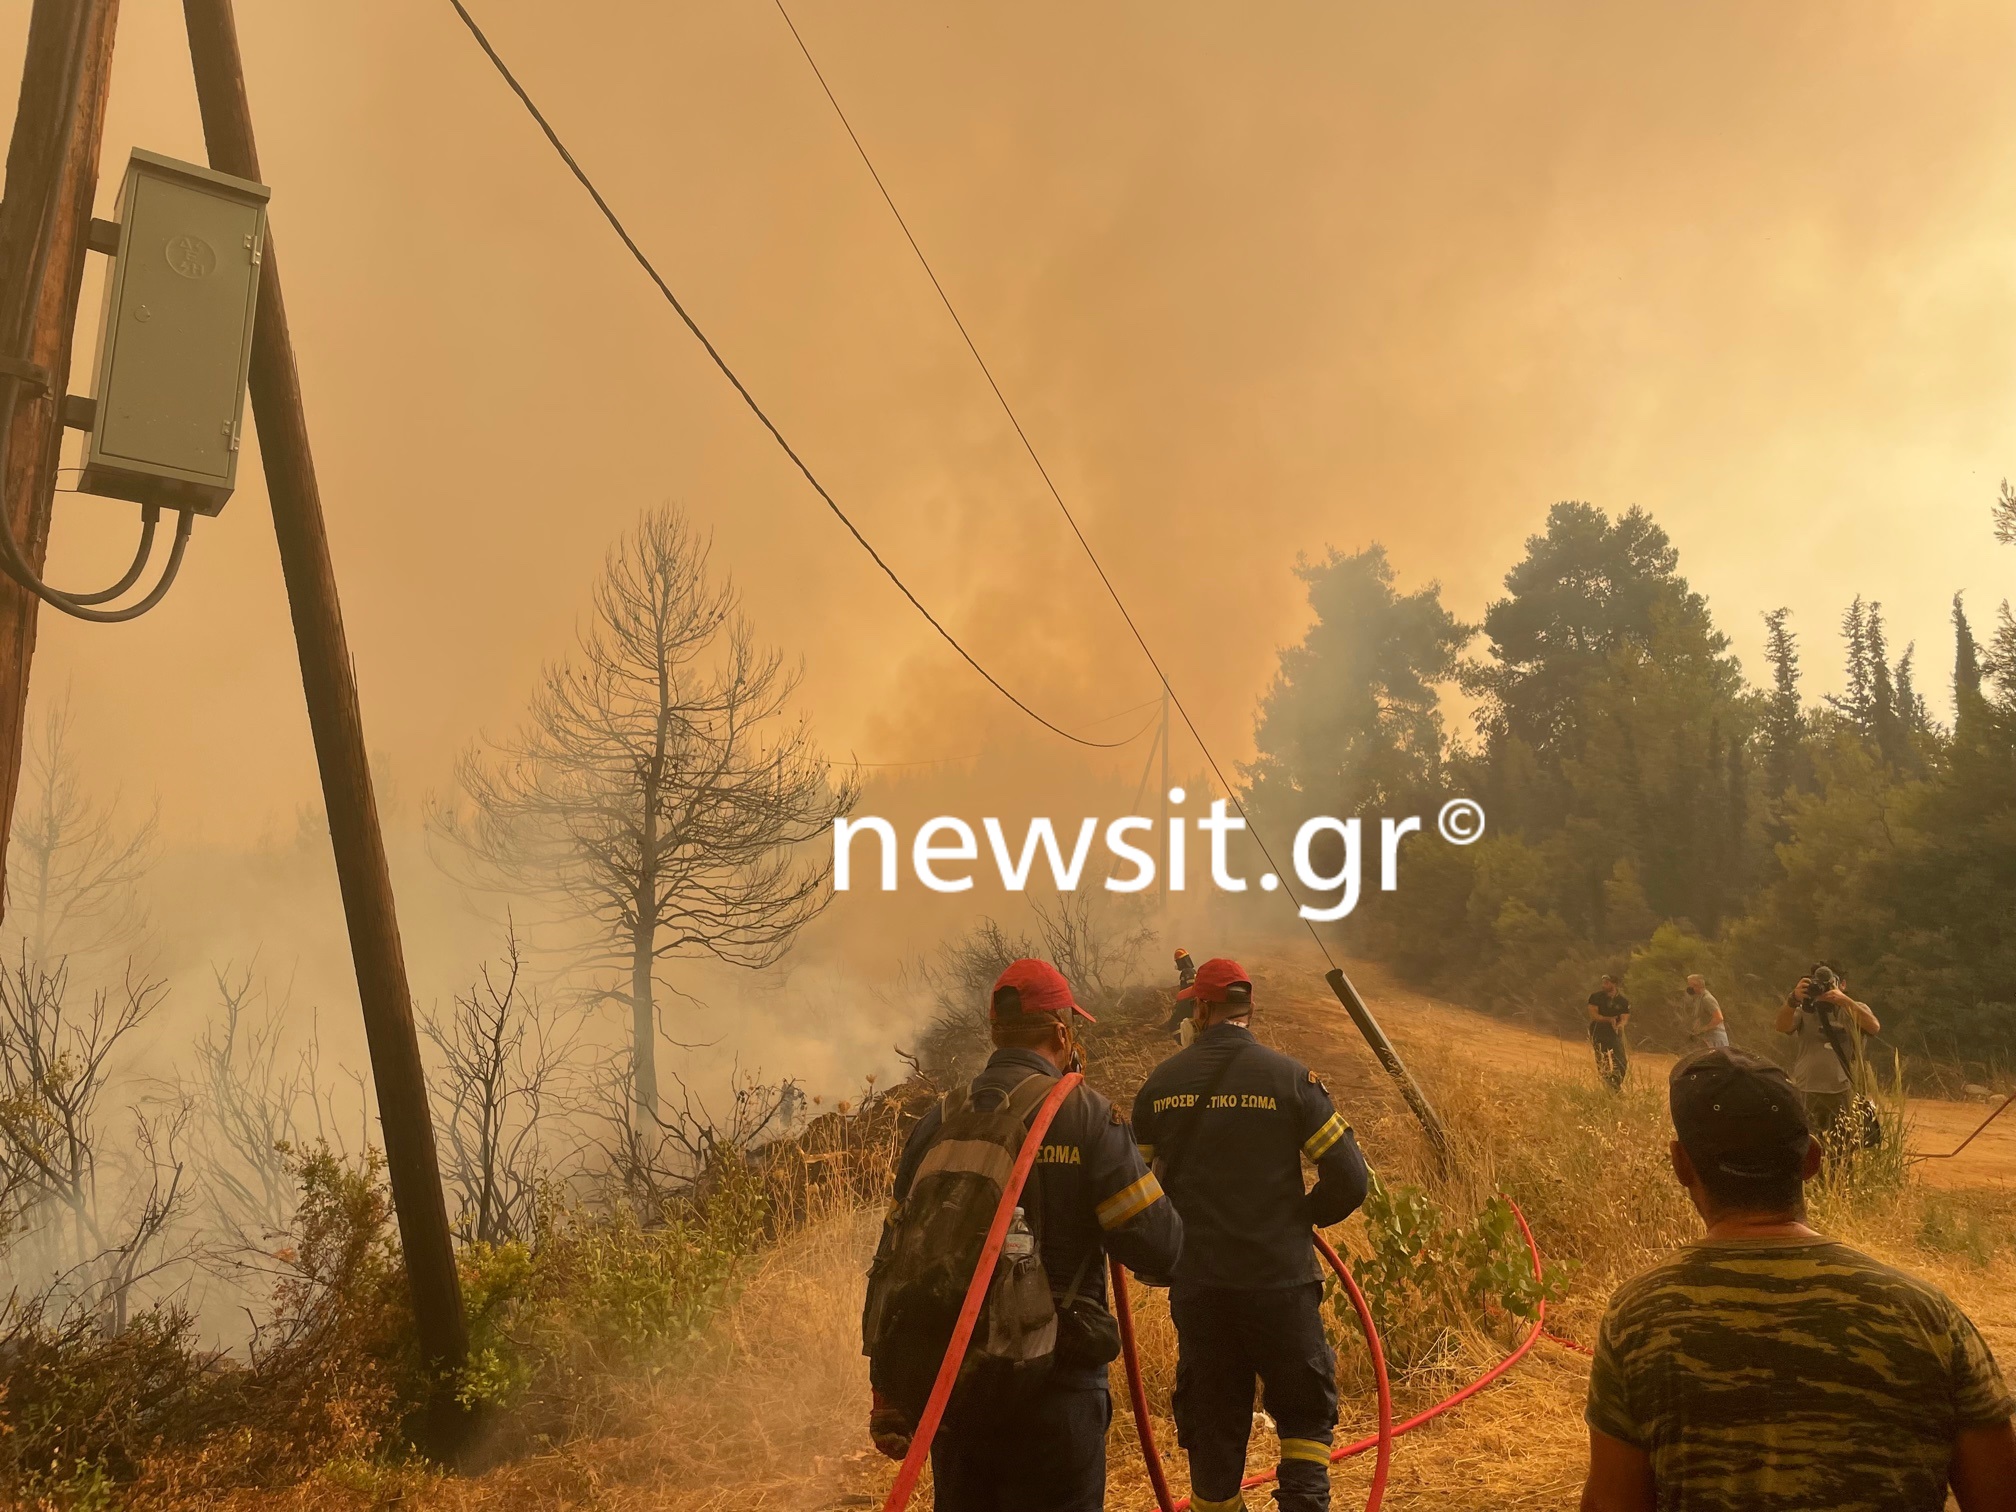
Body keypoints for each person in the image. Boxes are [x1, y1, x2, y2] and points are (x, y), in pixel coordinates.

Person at [1581, 1046, 2015, 1512]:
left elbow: (1614, 1501)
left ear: (1681, 1164)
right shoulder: (1925, 1313)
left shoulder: (1638, 1318)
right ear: (1811, 1159)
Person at [877, 959, 1182, 1512]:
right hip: (1057, 1392)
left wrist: (889, 1391)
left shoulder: (938, 1120)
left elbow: (892, 1259)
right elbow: (1160, 1247)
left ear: (995, 1032)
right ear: (1063, 1033)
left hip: (960, 1390)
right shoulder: (1086, 1116)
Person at [1132, 958, 1372, 1512]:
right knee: (1306, 1418)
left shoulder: (1161, 1085)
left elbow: (1138, 1196)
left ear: (1201, 1007)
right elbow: (1352, 1178)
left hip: (1201, 1287)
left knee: (1212, 1424)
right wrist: (1298, 1218)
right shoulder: (1290, 1078)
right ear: (1248, 1009)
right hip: (1280, 1282)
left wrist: (1159, 1255)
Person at [1772, 963, 1879, 1143]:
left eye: (1829, 984)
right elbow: (1781, 1026)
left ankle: (1840, 1172)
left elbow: (1874, 1027)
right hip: (1807, 1088)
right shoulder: (1804, 1010)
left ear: (1842, 984)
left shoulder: (1853, 1009)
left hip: (1842, 1089)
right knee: (1807, 1147)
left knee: (1842, 1149)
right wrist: (1793, 999)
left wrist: (1843, 1001)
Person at [1587, 974, 1631, 1091]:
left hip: (1614, 1033)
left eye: (1607, 983)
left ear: (1614, 984)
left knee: (1621, 1061)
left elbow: (1625, 1017)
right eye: (1603, 982)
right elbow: (1594, 1015)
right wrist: (1609, 1019)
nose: (1604, 985)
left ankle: (1615, 1085)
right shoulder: (1595, 997)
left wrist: (1620, 1025)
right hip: (1598, 1031)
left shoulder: (1622, 1001)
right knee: (1603, 1060)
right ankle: (1607, 1086)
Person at [1162, 947, 1202, 1042]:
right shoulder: (1191, 971)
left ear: (1181, 962)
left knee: (1174, 1022)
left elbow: (1190, 989)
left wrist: (1181, 1003)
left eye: (1177, 962)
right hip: (1189, 1002)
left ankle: (1182, 1040)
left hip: (1187, 1002)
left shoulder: (1187, 972)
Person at [1682, 974, 1727, 1050]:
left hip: (1715, 1037)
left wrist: (1703, 1029)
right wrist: (1695, 1032)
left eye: (1690, 985)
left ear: (1697, 985)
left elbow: (1719, 1018)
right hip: (1708, 1038)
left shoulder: (1707, 999)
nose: (1689, 988)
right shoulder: (1699, 998)